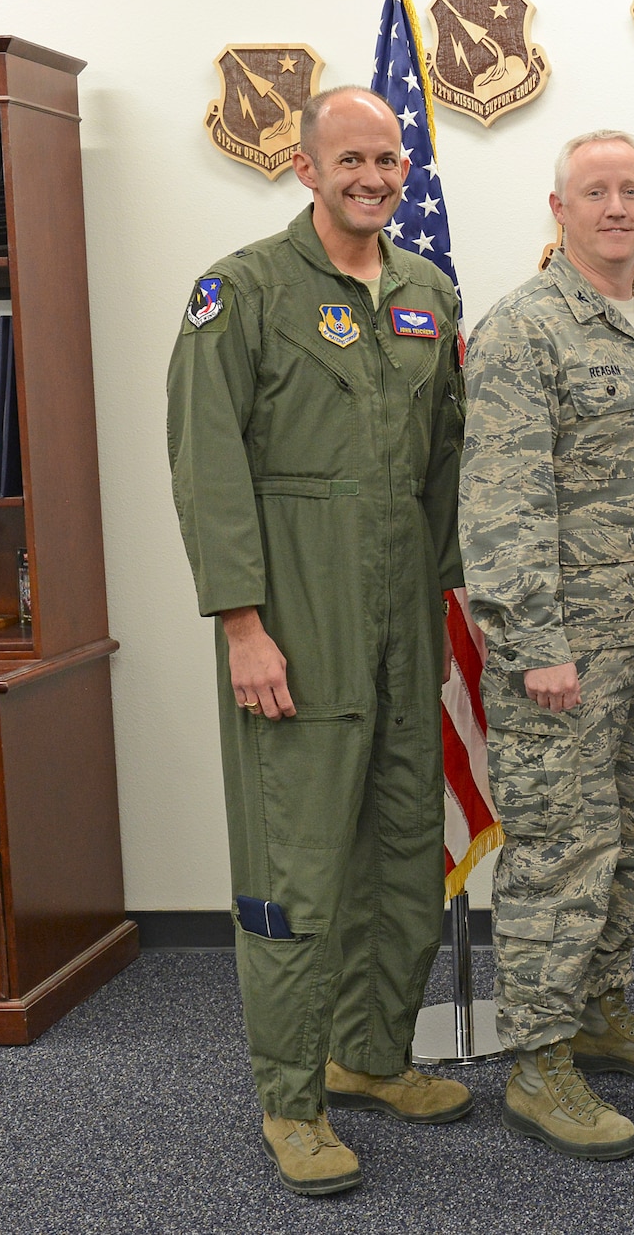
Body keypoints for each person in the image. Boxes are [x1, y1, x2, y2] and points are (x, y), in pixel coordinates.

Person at [166, 86, 472, 1197]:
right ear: (305, 167)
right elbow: (206, 466)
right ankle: (289, 1101)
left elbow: (441, 464)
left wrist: (449, 603)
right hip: (294, 626)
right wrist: (242, 626)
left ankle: (370, 1055)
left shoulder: (426, 293)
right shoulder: (239, 291)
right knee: (294, 872)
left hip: (402, 628)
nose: (373, 178)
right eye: (350, 159)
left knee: (401, 855)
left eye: (388, 160)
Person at [459, 130, 634, 1162]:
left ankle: (600, 1008)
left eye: (632, 190)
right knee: (559, 854)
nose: (616, 206)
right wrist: (534, 644)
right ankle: (538, 1062)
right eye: (594, 191)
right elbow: (503, 502)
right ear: (557, 209)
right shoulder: (525, 330)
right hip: (560, 657)